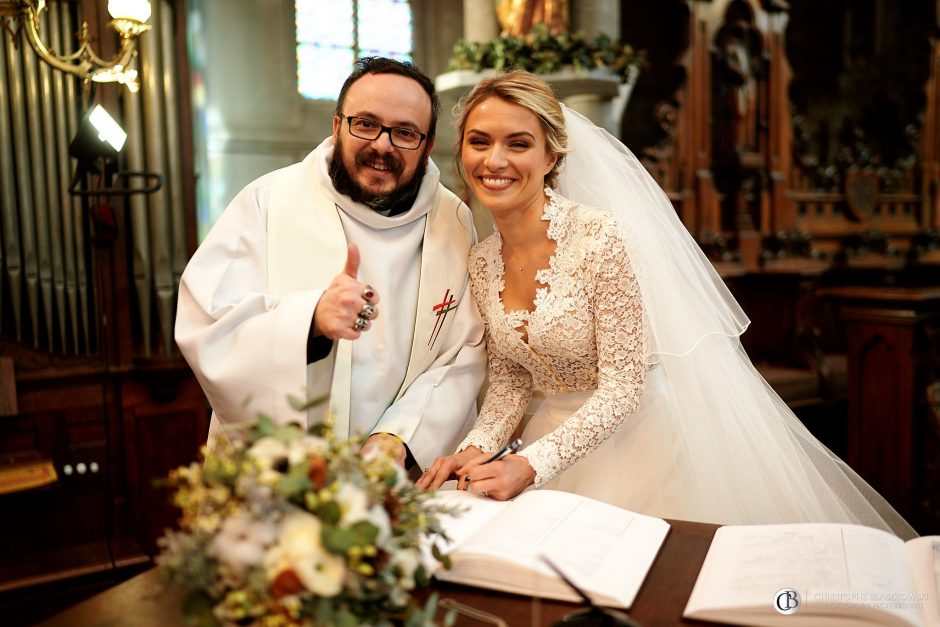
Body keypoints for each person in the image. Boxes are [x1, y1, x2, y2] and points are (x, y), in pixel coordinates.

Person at [417, 70, 915, 538]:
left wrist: (527, 465)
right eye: (479, 142)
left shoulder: (601, 239)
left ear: (550, 158)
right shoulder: (481, 260)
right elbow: (511, 378)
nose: (494, 160)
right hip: (551, 441)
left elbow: (623, 388)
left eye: (518, 143)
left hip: (640, 443)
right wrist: (475, 451)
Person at [176, 57, 486, 471]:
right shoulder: (268, 200)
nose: (382, 145)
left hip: (397, 477)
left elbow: (463, 353)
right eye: (366, 123)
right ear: (337, 125)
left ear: (429, 146)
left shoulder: (454, 222)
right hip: (281, 480)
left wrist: (401, 435)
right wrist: (309, 322)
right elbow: (207, 324)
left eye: (405, 132)